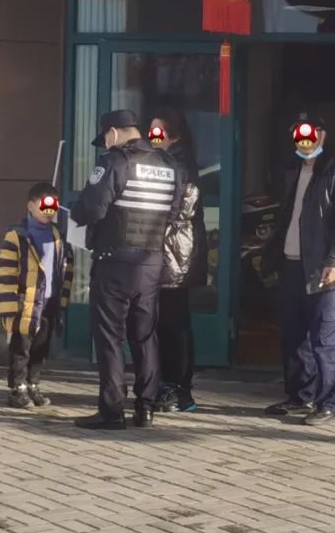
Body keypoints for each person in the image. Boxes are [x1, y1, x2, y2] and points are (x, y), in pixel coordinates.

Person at [70, 109, 183, 430]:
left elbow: (93, 209)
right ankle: (145, 408)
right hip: (150, 262)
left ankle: (112, 410)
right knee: (145, 336)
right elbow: (174, 214)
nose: (106, 143)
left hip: (115, 262)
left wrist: (76, 211)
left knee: (110, 337)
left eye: (106, 137)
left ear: (113, 132)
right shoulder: (169, 165)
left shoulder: (114, 162)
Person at [261, 111, 335, 426]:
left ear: (322, 135)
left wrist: (334, 262)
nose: (304, 141)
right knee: (293, 338)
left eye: (309, 134)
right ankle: (300, 396)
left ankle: (330, 402)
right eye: (298, 135)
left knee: (326, 340)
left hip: (325, 271)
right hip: (292, 267)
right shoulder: (293, 172)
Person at [0, 182, 74, 408]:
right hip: (25, 303)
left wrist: (62, 300)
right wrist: (9, 306)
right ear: (30, 206)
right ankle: (17, 387)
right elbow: (6, 273)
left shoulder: (58, 236)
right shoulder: (17, 236)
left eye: (53, 207)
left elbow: (65, 268)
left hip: (49, 302)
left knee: (41, 347)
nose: (49, 212)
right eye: (44, 206)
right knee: (22, 347)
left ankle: (33, 383)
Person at [150, 108, 208, 414]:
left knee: (173, 323)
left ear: (174, 135)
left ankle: (179, 389)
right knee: (165, 322)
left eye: (158, 131)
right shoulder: (164, 161)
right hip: (166, 253)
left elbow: (180, 209)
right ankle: (167, 384)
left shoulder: (179, 165)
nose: (152, 136)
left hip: (175, 255)